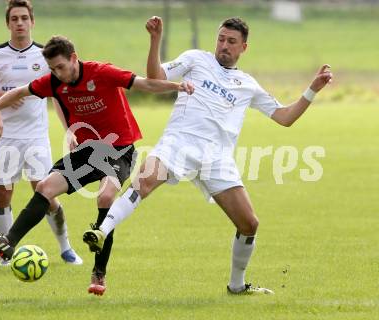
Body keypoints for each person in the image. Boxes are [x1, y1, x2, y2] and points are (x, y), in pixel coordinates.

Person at [83, 16, 333, 295]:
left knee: (249, 224)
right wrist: (155, 40)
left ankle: (237, 286)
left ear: (244, 48)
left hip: (217, 159)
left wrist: (313, 89)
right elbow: (155, 76)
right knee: (145, 181)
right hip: (179, 143)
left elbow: (285, 117)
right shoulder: (196, 59)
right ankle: (101, 231)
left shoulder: (247, 84)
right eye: (221, 39)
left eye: (231, 42)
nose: (224, 45)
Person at [0, 35, 194, 295]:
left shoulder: (102, 72)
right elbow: (20, 92)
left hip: (119, 150)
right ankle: (8, 242)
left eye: (61, 67)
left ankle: (99, 274)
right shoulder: (55, 82)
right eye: (52, 69)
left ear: (74, 58)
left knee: (106, 196)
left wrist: (176, 86)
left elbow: (144, 83)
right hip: (87, 153)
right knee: (44, 186)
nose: (58, 74)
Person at [0, 0, 81, 266]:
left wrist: (69, 128)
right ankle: (5, 250)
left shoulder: (44, 56)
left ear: (32, 22)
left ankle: (66, 247)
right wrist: (1, 100)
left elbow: (58, 96)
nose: (20, 23)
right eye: (14, 19)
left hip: (36, 137)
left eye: (24, 18)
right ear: (8, 23)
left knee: (47, 193)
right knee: (3, 194)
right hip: (4, 137)